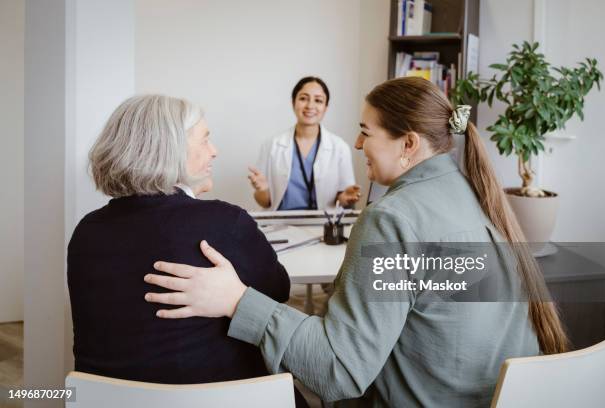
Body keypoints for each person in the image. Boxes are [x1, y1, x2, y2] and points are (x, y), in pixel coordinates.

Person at [143, 78, 569, 407]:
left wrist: (239, 301)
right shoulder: (474, 198)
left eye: (366, 131)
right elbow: (439, 310)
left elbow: (338, 370)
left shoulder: (392, 220)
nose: (358, 143)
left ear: (408, 144)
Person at [67, 95, 293, 386]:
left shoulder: (86, 232)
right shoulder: (225, 223)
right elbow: (279, 289)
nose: (214, 151)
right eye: (204, 140)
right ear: (171, 149)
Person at [248, 76, 361, 210]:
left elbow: (343, 199)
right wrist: (262, 189)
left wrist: (345, 198)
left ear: (325, 107)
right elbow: (265, 202)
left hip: (322, 224)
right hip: (281, 225)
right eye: (303, 98)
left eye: (318, 100)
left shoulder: (340, 147)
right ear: (293, 102)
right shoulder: (272, 145)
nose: (310, 106)